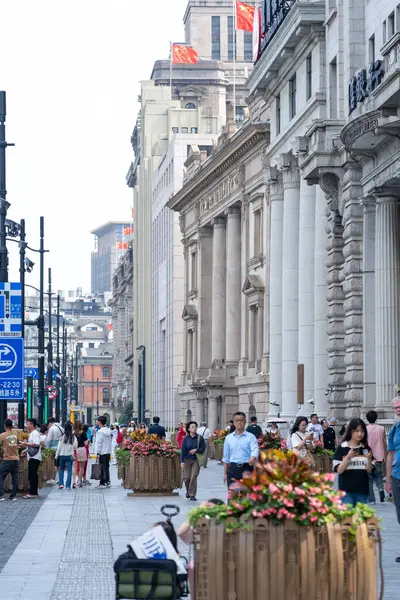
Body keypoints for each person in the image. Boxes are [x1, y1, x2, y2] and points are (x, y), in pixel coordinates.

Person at [333, 418, 373, 507]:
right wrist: (347, 458)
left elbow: (369, 470)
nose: (360, 434)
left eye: (362, 431)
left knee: (360, 519)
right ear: (351, 431)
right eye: (357, 431)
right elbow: (339, 470)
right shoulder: (342, 448)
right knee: (348, 519)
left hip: (362, 490)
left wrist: (369, 459)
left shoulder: (365, 448)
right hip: (346, 491)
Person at [222, 412, 259, 488]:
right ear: (234, 423)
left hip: (247, 468)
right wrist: (225, 473)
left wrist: (253, 457)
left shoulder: (250, 437)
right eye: (236, 420)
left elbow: (255, 450)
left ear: (245, 422)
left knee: (246, 496)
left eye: (241, 420)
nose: (239, 422)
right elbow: (226, 457)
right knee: (232, 496)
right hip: (233, 469)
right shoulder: (228, 438)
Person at [386, 397, 400, 563]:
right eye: (395, 407)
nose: (397, 409)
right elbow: (390, 455)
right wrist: (388, 478)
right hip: (397, 476)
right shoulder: (395, 429)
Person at [181, 421, 205, 501]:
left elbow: (203, 449)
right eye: (192, 427)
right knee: (186, 478)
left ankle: (192, 494)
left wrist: (196, 450)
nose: (194, 428)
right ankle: (188, 490)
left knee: (193, 477)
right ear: (188, 429)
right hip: (187, 460)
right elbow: (183, 451)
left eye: (195, 427)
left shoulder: (199, 438)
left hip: (195, 460)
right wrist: (182, 462)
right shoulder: (186, 439)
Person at [366, 410, 386, 503]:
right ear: (376, 418)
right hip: (379, 455)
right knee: (378, 475)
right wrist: (385, 454)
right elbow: (384, 442)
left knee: (369, 477)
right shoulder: (381, 428)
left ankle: (371, 498)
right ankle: (381, 489)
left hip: (368, 456)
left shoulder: (365, 429)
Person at [0, 419, 19, 501]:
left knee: (1, 476)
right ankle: (13, 496)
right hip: (16, 459)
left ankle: (1, 496)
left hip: (7, 459)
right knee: (15, 478)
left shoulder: (2, 435)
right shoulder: (15, 435)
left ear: (5, 425)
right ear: (11, 426)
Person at [22, 418, 42, 499]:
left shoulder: (35, 433)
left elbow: (36, 444)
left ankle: (33, 493)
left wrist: (25, 443)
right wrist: (25, 450)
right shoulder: (33, 433)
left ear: (32, 424)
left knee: (32, 475)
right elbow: (32, 446)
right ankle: (34, 492)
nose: (26, 426)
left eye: (28, 424)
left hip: (34, 457)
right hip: (33, 457)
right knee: (33, 475)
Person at [55, 421, 77, 490]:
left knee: (61, 469)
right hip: (69, 455)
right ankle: (68, 485)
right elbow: (76, 446)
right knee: (69, 471)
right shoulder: (73, 437)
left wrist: (56, 455)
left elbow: (59, 447)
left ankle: (61, 484)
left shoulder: (62, 437)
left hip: (62, 455)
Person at [95, 415, 112, 488]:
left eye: (97, 421)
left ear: (100, 422)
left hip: (102, 452)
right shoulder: (108, 431)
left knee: (101, 467)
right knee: (106, 467)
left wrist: (97, 452)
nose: (97, 422)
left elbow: (99, 443)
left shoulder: (100, 432)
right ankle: (107, 481)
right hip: (107, 451)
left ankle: (102, 482)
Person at [46, 417, 64, 484]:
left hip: (53, 449)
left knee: (54, 464)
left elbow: (49, 440)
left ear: (50, 423)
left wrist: (47, 448)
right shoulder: (62, 428)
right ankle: (60, 478)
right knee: (59, 464)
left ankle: (53, 478)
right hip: (61, 448)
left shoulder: (52, 428)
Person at [75, 421, 89, 488]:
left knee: (75, 466)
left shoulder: (73, 433)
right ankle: (80, 481)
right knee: (82, 467)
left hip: (75, 450)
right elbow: (86, 443)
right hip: (82, 449)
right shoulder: (83, 433)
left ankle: (74, 481)